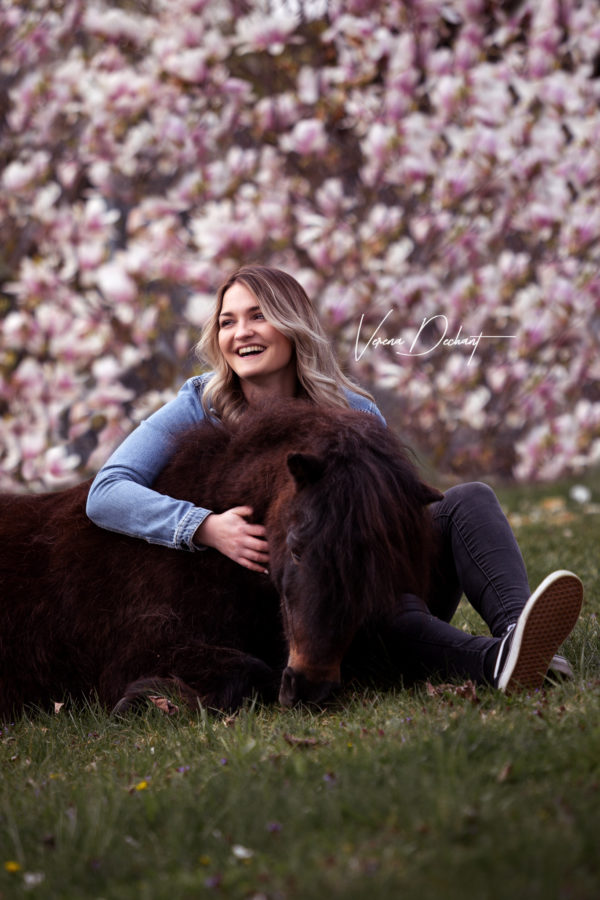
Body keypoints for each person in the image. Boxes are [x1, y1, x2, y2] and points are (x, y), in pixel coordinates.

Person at [86, 265, 583, 693]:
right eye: (227, 322)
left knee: (469, 497)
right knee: (336, 571)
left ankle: (521, 635)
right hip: (300, 612)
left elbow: (392, 524)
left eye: (259, 315)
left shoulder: (352, 410)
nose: (241, 333)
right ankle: (495, 661)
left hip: (371, 586)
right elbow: (107, 491)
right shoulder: (202, 403)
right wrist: (203, 526)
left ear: (293, 324)